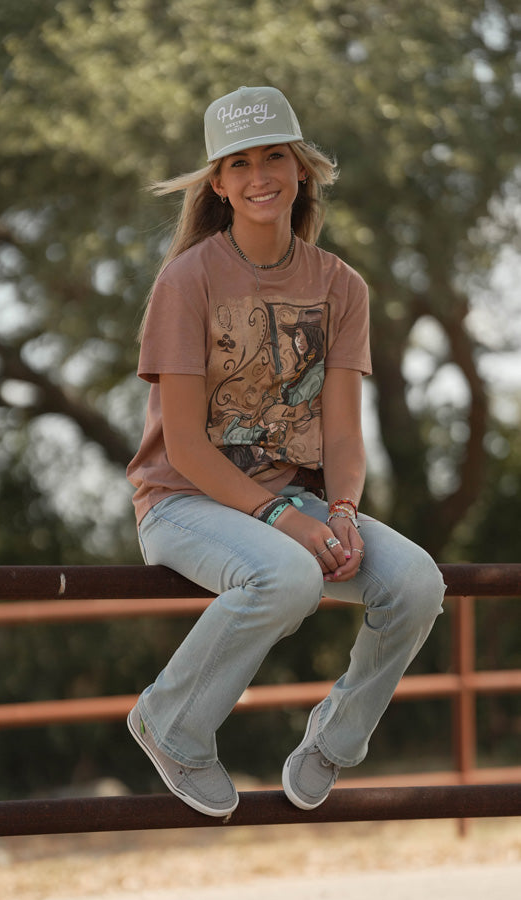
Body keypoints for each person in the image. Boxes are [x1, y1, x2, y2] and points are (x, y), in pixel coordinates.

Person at [126, 85, 445, 818]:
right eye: (238, 164)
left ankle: (333, 742)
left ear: (301, 169)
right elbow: (184, 444)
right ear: (218, 182)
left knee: (418, 583)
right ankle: (168, 723)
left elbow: (339, 432)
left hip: (293, 503)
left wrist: (338, 510)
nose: (259, 175)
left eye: (275, 156)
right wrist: (283, 522)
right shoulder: (187, 280)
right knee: (289, 577)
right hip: (182, 502)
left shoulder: (339, 287)